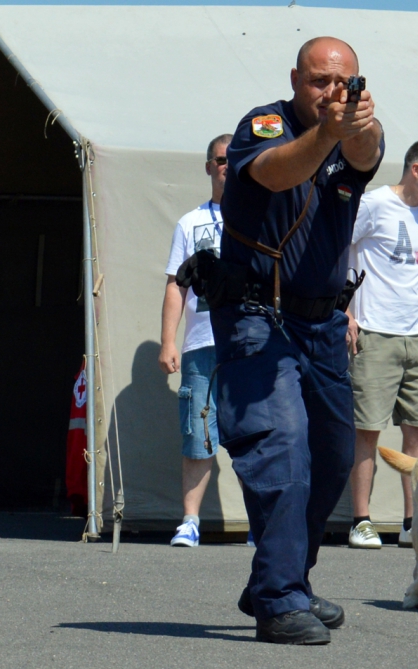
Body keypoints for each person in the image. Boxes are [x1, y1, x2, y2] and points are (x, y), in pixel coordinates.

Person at [213, 36, 383, 645]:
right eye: (318, 81)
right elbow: (279, 171)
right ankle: (280, 600)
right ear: (295, 79)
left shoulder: (356, 130)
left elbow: (366, 153)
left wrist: (356, 123)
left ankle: (282, 579)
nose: (331, 93)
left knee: (335, 458)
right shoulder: (263, 125)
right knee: (281, 449)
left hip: (324, 326)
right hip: (258, 317)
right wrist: (328, 132)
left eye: (344, 83)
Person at [345, 139, 418, 550]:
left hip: (416, 335)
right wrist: (347, 311)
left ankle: (415, 523)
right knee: (367, 429)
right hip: (374, 331)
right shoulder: (373, 205)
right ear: (415, 170)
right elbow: (342, 248)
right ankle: (361, 520)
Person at [159, 134, 232, 548]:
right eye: (220, 160)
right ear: (208, 166)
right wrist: (168, 340)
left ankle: (260, 523)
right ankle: (190, 521)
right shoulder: (190, 223)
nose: (227, 166)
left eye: (233, 159)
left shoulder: (262, 219)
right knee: (197, 430)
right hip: (202, 343)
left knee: (253, 433)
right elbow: (176, 285)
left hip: (248, 344)